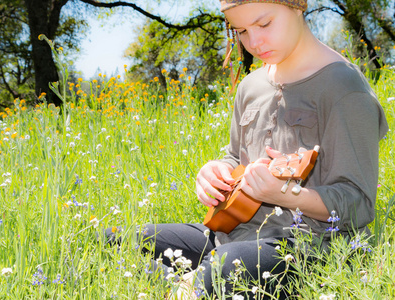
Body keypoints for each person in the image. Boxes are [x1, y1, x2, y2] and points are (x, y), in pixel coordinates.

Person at [106, 0, 388, 298]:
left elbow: (358, 202)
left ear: (297, 6)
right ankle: (188, 284)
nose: (253, 42)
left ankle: (188, 282)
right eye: (240, 31)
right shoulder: (251, 86)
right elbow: (235, 157)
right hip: (229, 235)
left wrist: (284, 194)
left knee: (225, 269)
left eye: (264, 24)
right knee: (115, 240)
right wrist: (216, 171)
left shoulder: (345, 87)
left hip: (306, 247)